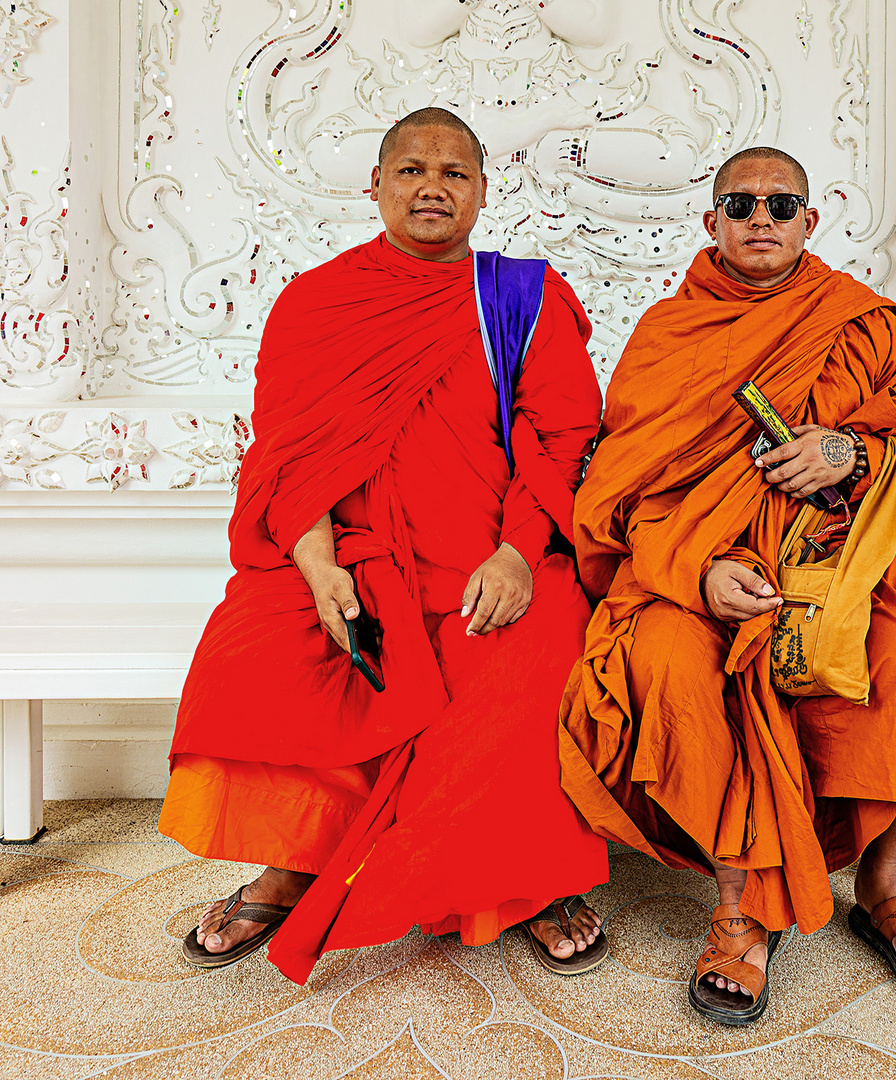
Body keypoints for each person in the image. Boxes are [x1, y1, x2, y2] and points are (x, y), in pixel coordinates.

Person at [158, 107, 609, 984]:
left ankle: (531, 881)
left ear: (482, 192)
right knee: (255, 647)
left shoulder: (521, 296)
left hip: (490, 551)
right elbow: (286, 451)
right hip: (352, 548)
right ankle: (293, 862)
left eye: (453, 173)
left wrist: (519, 553)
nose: (431, 186)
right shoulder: (318, 300)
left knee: (537, 651)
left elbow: (563, 438)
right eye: (410, 170)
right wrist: (320, 566)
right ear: (375, 187)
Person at [557, 146, 896, 1024]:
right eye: (740, 204)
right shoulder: (664, 337)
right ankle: (741, 899)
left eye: (781, 205)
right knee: (673, 663)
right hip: (693, 569)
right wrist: (699, 575)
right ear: (710, 223)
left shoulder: (859, 322)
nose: (761, 217)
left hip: (830, 561)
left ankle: (887, 880)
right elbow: (621, 497)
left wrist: (850, 451)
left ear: (808, 223)